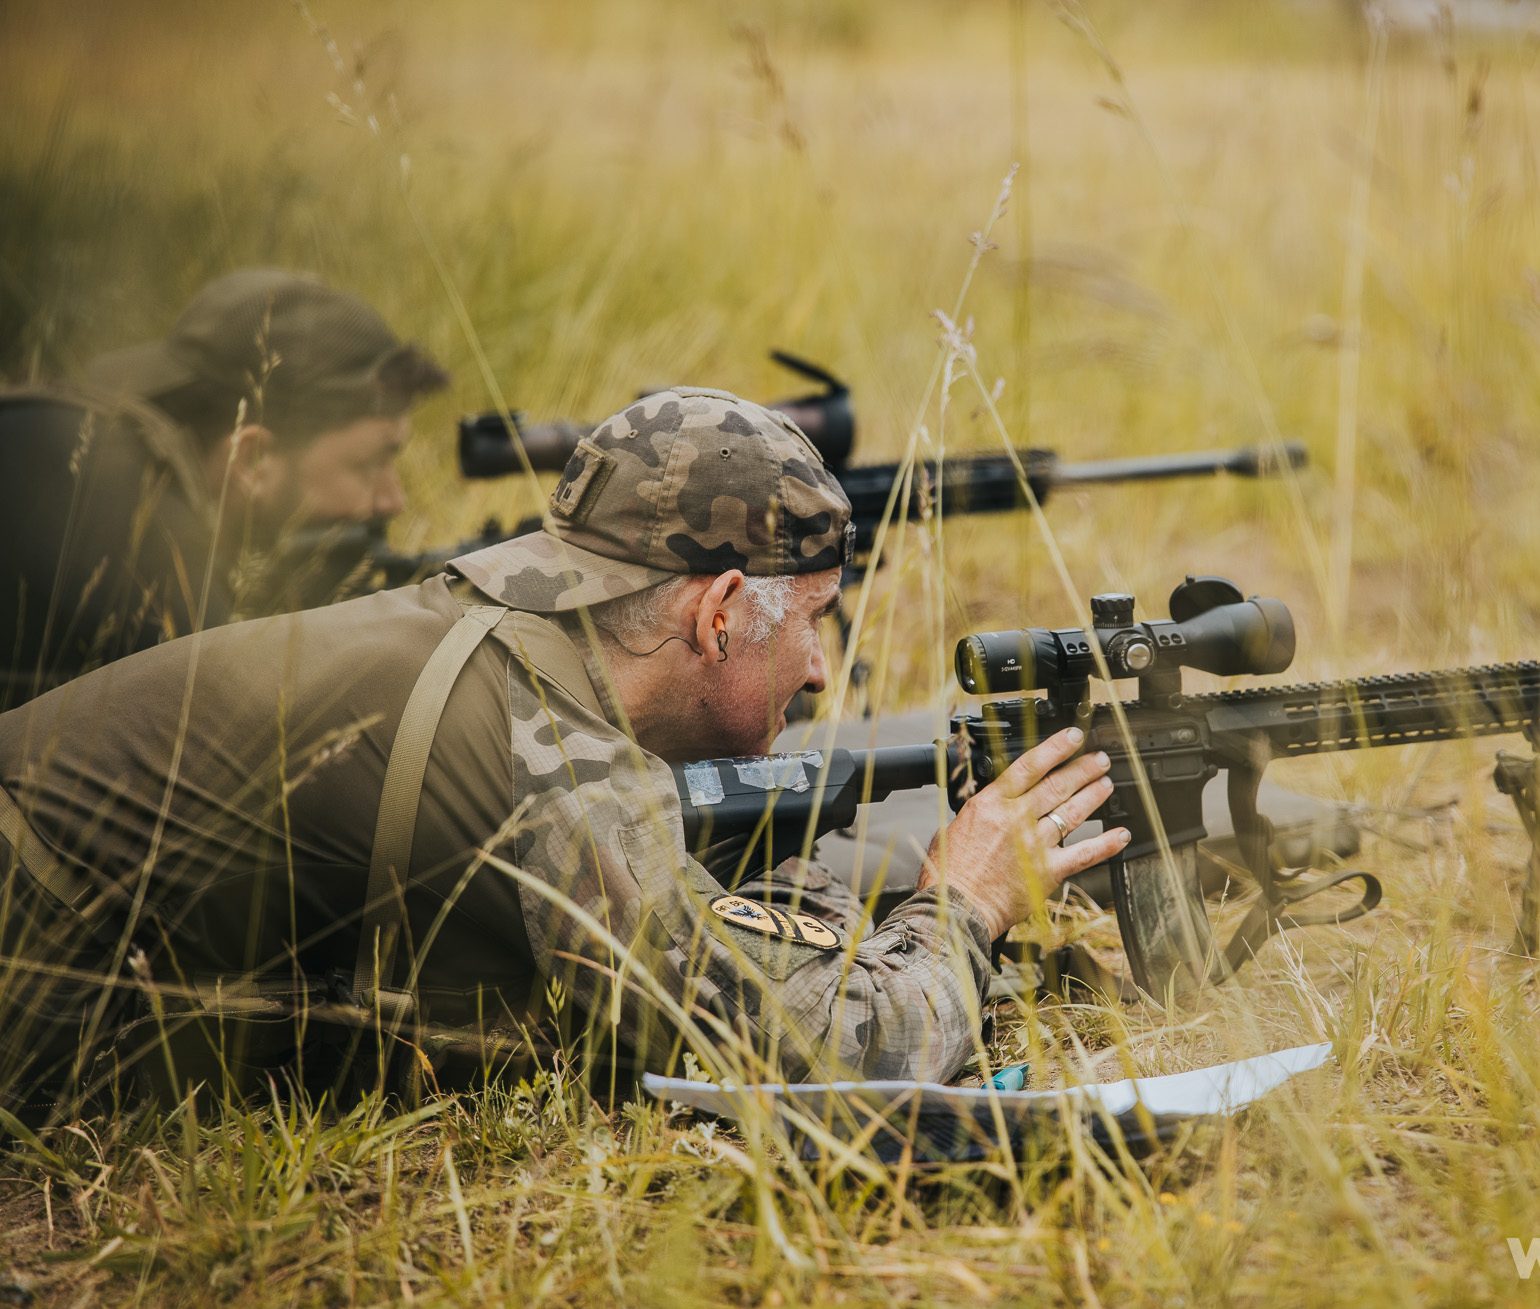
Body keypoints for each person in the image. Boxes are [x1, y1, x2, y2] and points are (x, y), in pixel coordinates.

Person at [0, 386, 1126, 1124]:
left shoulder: (498, 623)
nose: (824, 671)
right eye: (815, 618)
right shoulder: (550, 757)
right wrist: (963, 901)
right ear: (720, 612)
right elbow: (822, 1063)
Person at [0, 268, 450, 706]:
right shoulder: (154, 551)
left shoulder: (69, 446)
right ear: (252, 458)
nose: (394, 499)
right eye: (368, 464)